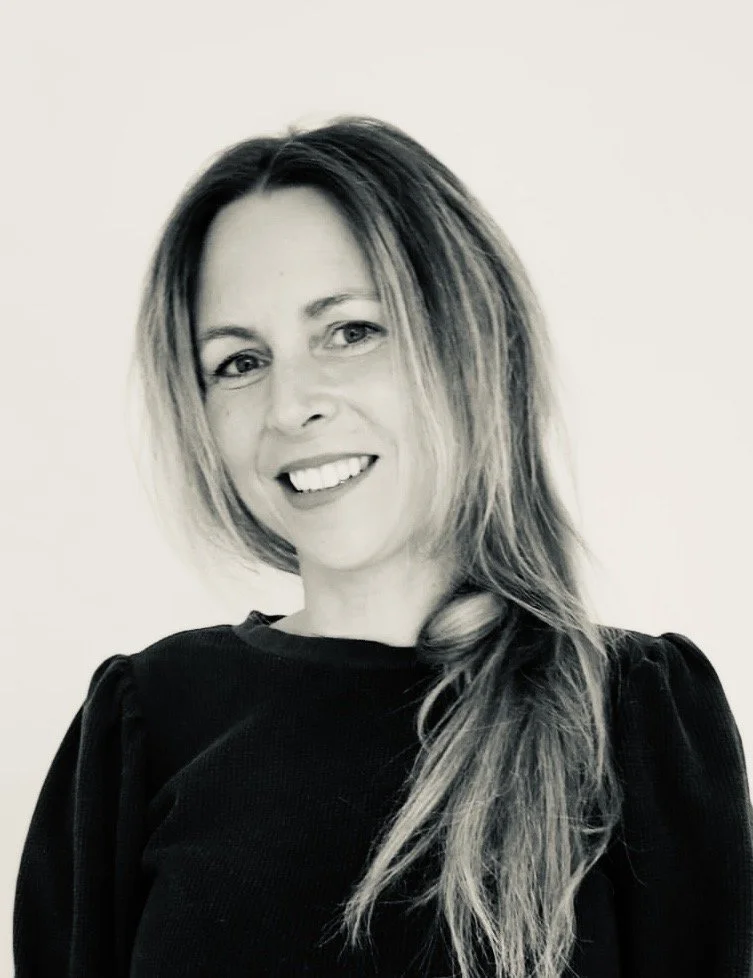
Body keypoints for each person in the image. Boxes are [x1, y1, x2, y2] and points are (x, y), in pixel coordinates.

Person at [13, 115, 753, 978]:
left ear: (468, 341)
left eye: (350, 330)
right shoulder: (143, 723)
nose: (290, 404)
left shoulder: (633, 716)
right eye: (239, 362)